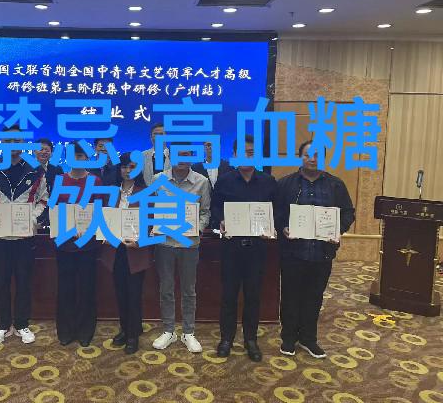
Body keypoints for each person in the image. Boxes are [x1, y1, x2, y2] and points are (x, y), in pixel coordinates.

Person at [276, 140, 355, 359]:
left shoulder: (336, 185)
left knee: (314, 296)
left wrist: (338, 229)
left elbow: (348, 212)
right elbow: (277, 212)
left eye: (317, 155)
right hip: (293, 252)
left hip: (322, 252)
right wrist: (283, 227)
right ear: (300, 157)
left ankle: (309, 338)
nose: (312, 159)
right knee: (290, 296)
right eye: (307, 155)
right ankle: (288, 338)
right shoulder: (286, 184)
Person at [0, 125, 49, 345]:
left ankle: (21, 324)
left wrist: (32, 220)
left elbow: (43, 201)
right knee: (1, 283)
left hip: (25, 238)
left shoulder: (35, 170)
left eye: (17, 141)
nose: (13, 145)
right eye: (8, 141)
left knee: (24, 282)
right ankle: (2, 325)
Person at [211, 135, 277, 362]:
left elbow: (277, 212)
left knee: (253, 296)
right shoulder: (224, 181)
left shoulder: (268, 182)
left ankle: (251, 339)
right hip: (231, 248)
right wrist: (219, 221)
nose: (247, 157)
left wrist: (272, 227)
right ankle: (226, 339)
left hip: (257, 249)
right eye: (242, 153)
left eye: (251, 153)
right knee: (228, 295)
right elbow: (215, 208)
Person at [152, 146, 211, 353]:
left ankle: (188, 332)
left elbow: (205, 212)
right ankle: (169, 330)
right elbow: (151, 208)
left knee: (189, 290)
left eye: (187, 155)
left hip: (189, 244)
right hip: (164, 244)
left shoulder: (202, 182)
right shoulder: (158, 179)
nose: (182, 159)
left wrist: (198, 228)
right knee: (166, 289)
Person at [99, 153, 151, 354]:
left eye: (132, 167)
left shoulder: (146, 192)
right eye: (124, 167)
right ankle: (125, 328)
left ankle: (133, 335)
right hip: (115, 250)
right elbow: (104, 218)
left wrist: (140, 241)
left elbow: (152, 224)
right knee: (120, 293)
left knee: (134, 294)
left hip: (135, 251)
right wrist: (102, 234)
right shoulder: (112, 192)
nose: (127, 171)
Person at [54, 142, 105, 347]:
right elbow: (54, 210)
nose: (77, 159)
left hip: (88, 244)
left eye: (81, 156)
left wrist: (89, 229)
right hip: (64, 244)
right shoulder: (60, 180)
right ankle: (66, 330)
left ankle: (85, 330)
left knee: (86, 288)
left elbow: (100, 210)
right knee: (65, 288)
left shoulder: (96, 181)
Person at [35, 138, 63, 228]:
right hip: (32, 212)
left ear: (51, 153)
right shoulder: (27, 169)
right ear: (34, 151)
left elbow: (59, 193)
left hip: (52, 213)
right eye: (40, 149)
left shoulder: (57, 169)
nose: (43, 152)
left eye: (47, 150)